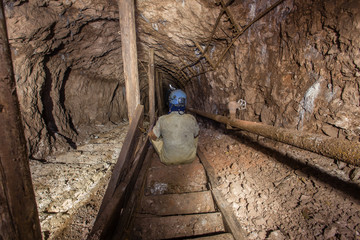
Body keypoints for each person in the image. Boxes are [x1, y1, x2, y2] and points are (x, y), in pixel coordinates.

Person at [148, 89, 199, 165]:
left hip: (168, 160)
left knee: (153, 136)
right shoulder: (191, 118)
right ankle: (188, 152)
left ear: (170, 103)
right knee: (194, 135)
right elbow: (196, 135)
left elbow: (153, 136)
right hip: (190, 158)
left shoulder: (162, 119)